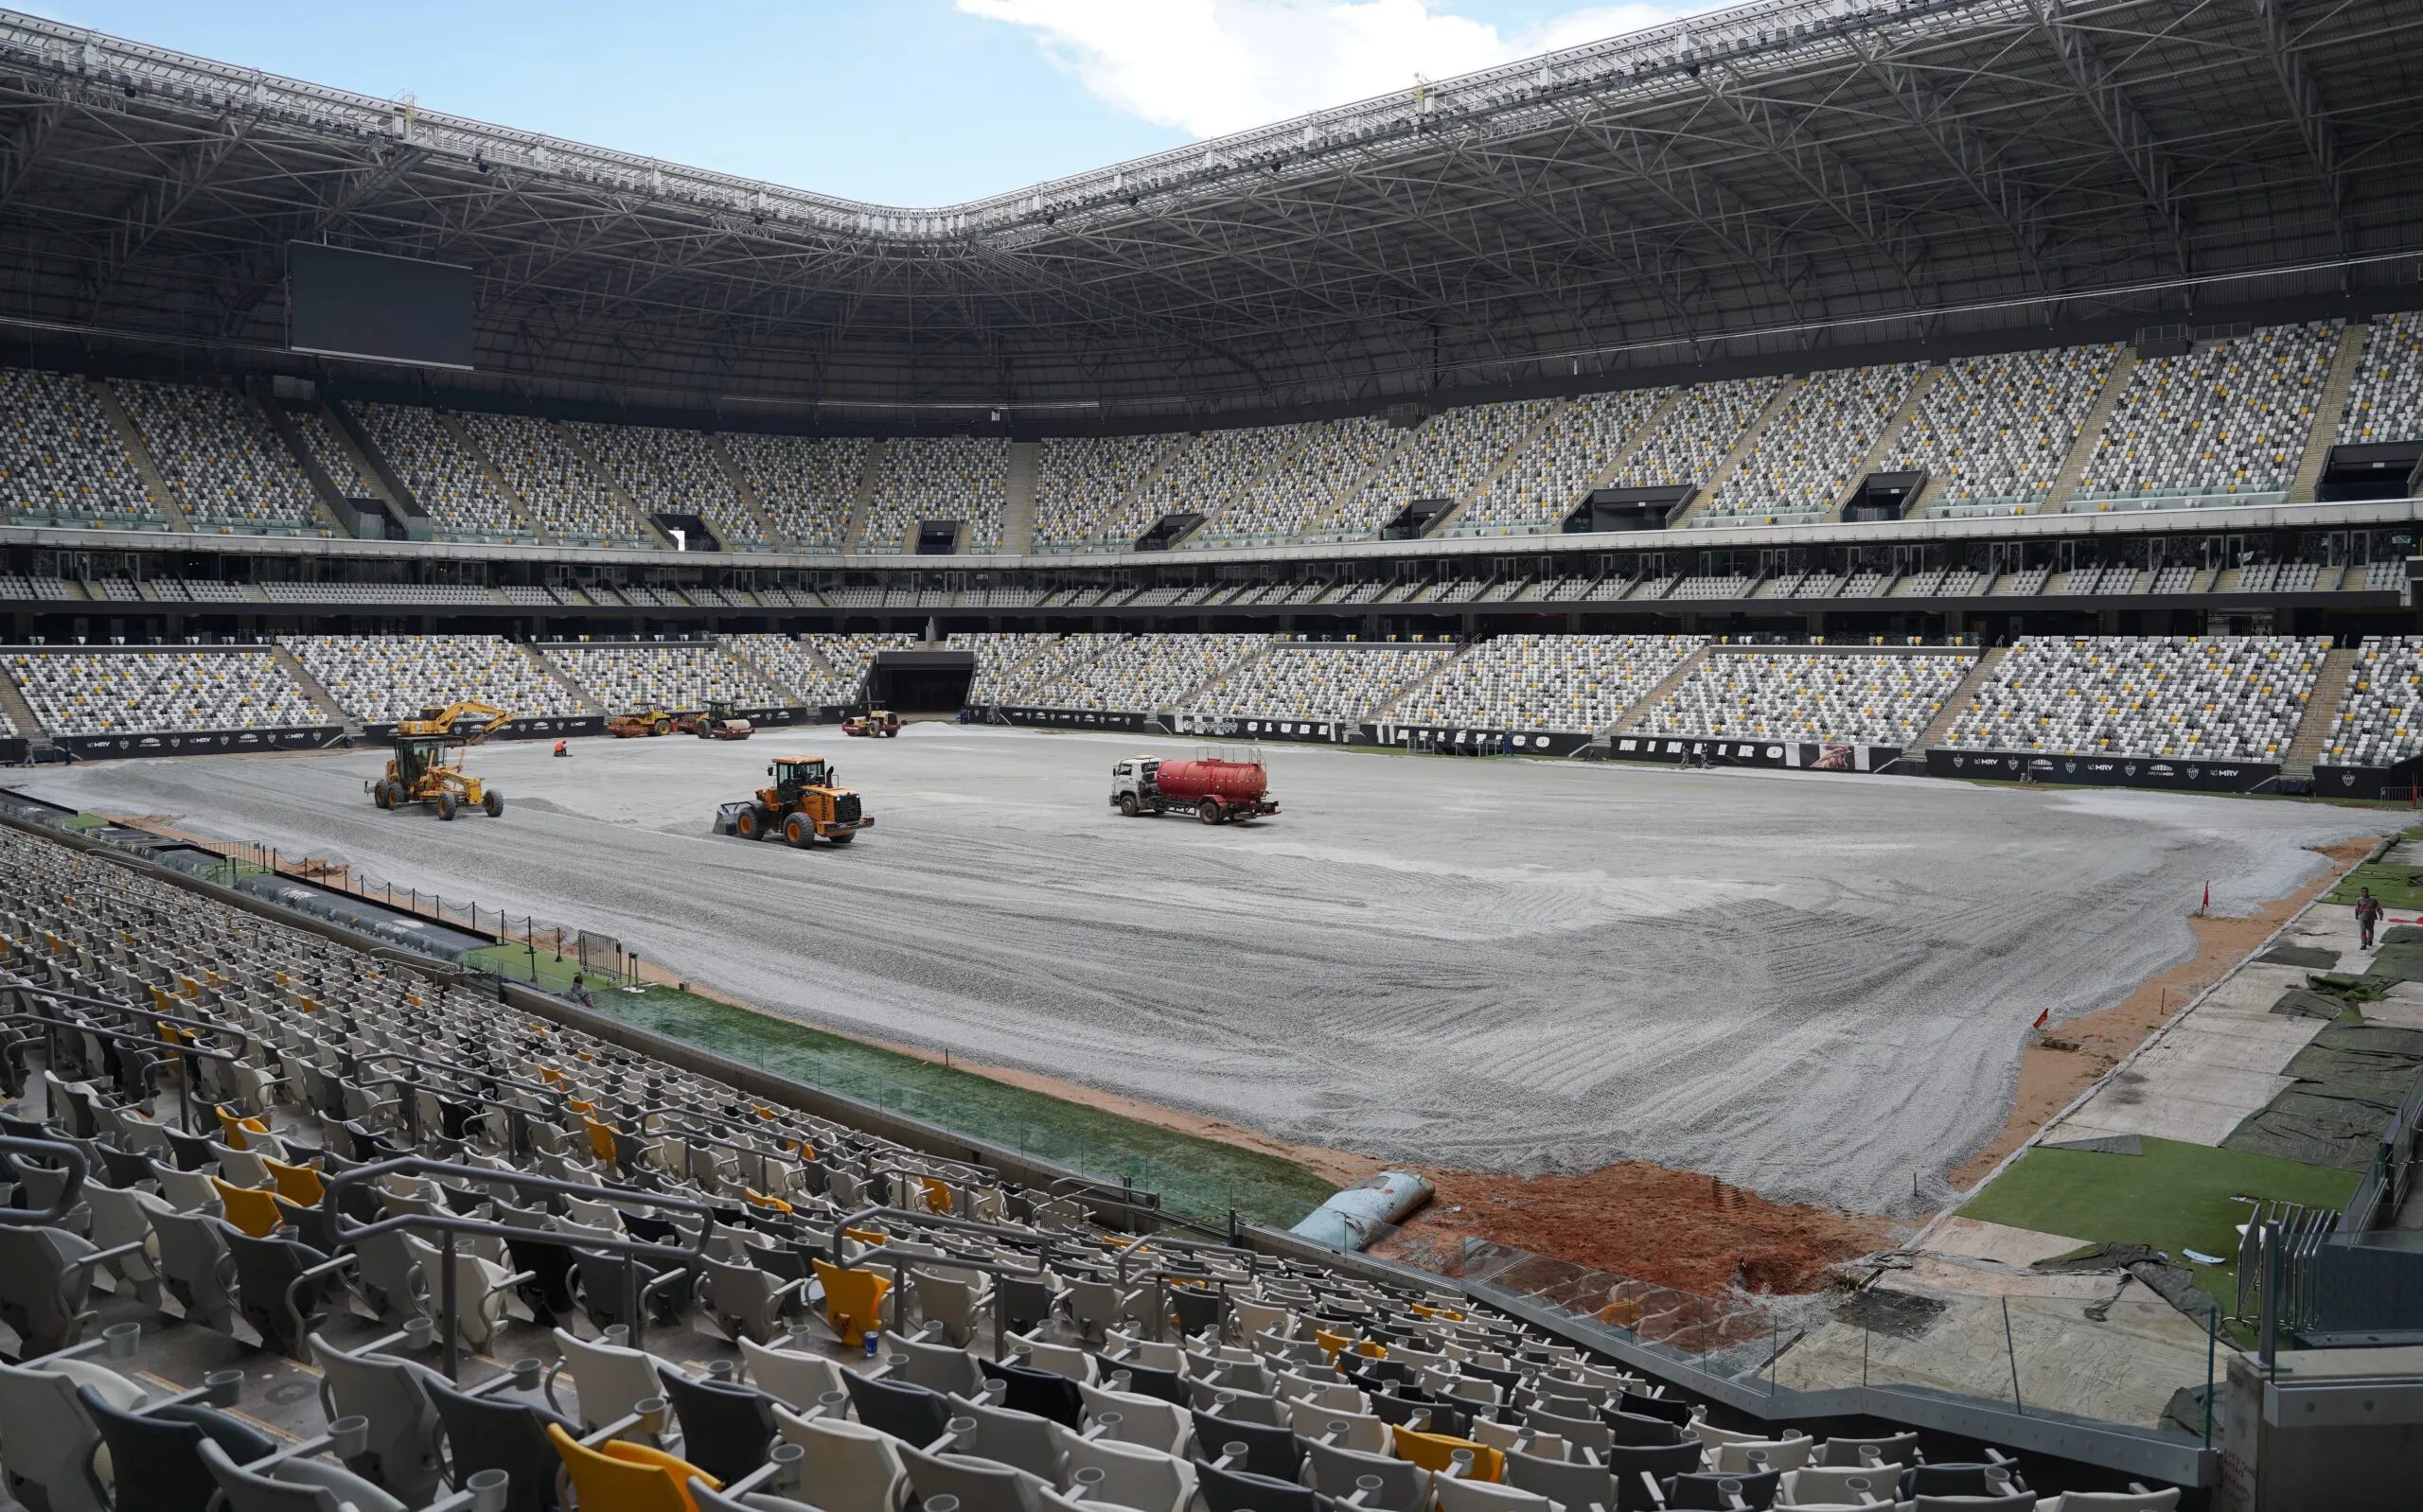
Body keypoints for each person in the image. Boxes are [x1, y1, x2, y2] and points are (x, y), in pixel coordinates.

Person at [2356, 886, 2384, 950]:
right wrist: (2356, 915)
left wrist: (2381, 915)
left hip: (2371, 918)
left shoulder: (2373, 900)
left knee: (2370, 930)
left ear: (2368, 892)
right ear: (2361, 892)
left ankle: (2370, 940)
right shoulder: (2359, 900)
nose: (2364, 893)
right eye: (2363, 892)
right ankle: (2363, 944)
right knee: (2363, 931)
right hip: (2362, 918)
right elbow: (2357, 908)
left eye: (2366, 892)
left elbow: (2378, 908)